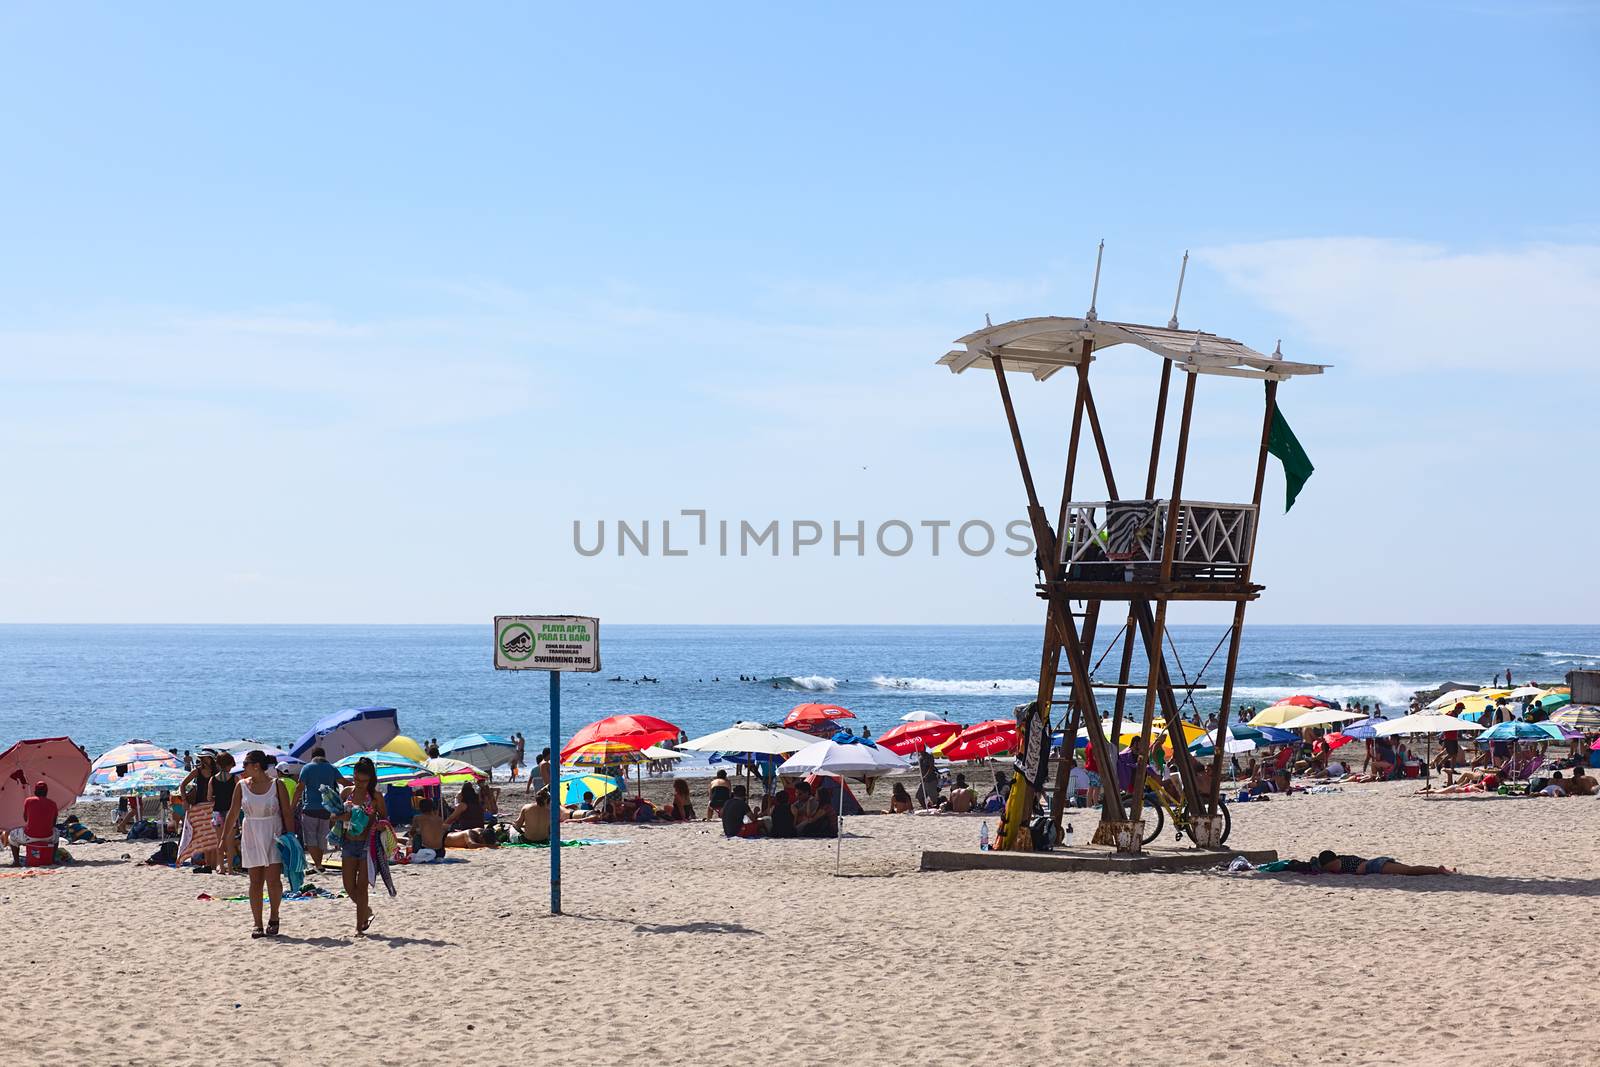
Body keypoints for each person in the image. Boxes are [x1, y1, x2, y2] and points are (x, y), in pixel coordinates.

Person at [219, 751, 295, 938]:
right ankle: (257, 924)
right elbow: (233, 812)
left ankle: (274, 917)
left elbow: (287, 812)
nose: (242, 768)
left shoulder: (277, 785)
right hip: (251, 833)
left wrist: (292, 839)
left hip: (273, 834)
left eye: (245, 764)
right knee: (255, 881)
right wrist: (223, 838)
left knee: (273, 880)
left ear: (256, 766)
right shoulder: (241, 786)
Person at [333, 756, 388, 936]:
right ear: (353, 775)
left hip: (367, 844)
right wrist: (339, 818)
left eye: (364, 781)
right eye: (357, 779)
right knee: (348, 886)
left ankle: (359, 927)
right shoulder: (346, 793)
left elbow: (386, 820)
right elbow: (334, 816)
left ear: (371, 779)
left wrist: (378, 824)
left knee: (362, 886)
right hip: (348, 842)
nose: (360, 783)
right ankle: (366, 911)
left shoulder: (375, 797)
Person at [295, 747, 343, 873]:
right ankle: (319, 864)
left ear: (312, 756)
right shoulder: (331, 768)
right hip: (327, 809)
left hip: (310, 808)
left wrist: (291, 806)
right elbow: (343, 782)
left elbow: (299, 788)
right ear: (324, 756)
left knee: (310, 839)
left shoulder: (307, 768)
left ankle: (318, 864)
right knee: (322, 838)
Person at [5, 782, 59, 864]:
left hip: (29, 836)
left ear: (35, 791)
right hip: (48, 837)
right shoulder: (53, 803)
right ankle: (52, 859)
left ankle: (16, 862)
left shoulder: (28, 801)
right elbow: (53, 823)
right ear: (46, 791)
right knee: (57, 833)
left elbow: (25, 819)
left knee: (12, 836)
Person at [1309, 849, 1455, 876]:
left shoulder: (1336, 864)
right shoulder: (1341, 859)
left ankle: (1438, 870)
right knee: (1409, 870)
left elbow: (1322, 868)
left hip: (1375, 866)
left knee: (1409, 871)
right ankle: (1441, 870)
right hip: (1376, 863)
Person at [210, 752, 240, 874]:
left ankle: (221, 867)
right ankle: (231, 869)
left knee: (219, 840)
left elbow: (209, 797)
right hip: (230, 811)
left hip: (217, 811)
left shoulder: (213, 779)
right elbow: (239, 796)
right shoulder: (235, 779)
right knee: (230, 842)